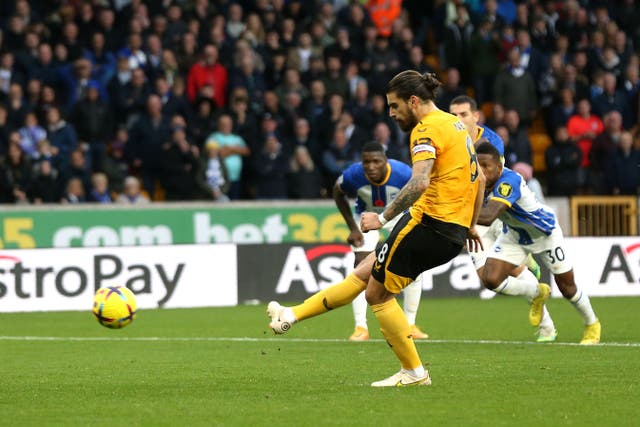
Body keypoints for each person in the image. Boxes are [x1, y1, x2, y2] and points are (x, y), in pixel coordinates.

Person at [267, 71, 485, 387]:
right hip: (446, 225)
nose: (392, 114)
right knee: (363, 273)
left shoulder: (426, 130)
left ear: (413, 101)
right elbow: (477, 180)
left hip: (430, 224)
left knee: (377, 293)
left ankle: (413, 372)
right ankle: (291, 315)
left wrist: (381, 219)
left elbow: (420, 181)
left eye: (394, 106)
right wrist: (471, 223)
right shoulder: (456, 125)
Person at [474, 142, 601, 345]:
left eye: (486, 166)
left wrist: (454, 215)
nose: (481, 170)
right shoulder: (477, 181)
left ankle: (592, 324)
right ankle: (536, 292)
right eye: (477, 165)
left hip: (545, 234)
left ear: (499, 166)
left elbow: (488, 216)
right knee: (491, 279)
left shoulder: (509, 180)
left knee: (568, 288)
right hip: (515, 236)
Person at [333, 141, 428, 341]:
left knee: (414, 266)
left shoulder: (403, 173)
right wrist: (352, 227)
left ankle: (410, 324)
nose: (371, 166)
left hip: (397, 217)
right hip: (366, 218)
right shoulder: (353, 174)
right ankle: (361, 328)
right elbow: (337, 191)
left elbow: (421, 193)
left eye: (376, 161)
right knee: (360, 266)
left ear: (386, 161)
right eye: (366, 162)